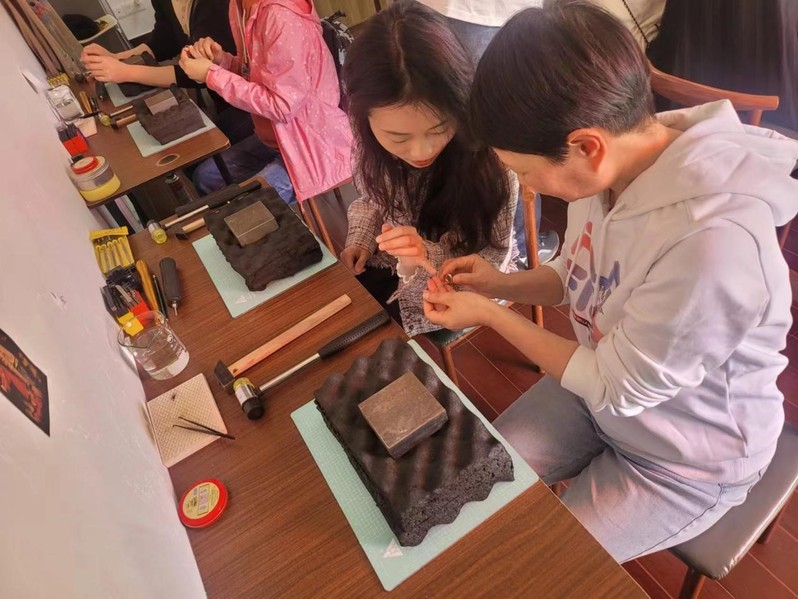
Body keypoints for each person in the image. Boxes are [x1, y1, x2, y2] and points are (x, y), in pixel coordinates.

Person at [423, 2, 798, 562]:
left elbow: (618, 385)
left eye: (525, 171)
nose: (528, 187)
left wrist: (492, 314)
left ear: (586, 146)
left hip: (685, 458)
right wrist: (499, 284)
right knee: (467, 481)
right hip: (597, 392)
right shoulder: (609, 175)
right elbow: (576, 272)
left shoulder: (712, 246)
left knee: (541, 566)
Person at [339, 0, 519, 336]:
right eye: (398, 137)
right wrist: (361, 238)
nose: (422, 152)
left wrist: (426, 254)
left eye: (440, 129)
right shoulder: (370, 144)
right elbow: (373, 199)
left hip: (457, 289)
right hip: (397, 269)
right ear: (365, 121)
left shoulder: (493, 161)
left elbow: (495, 259)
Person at [416, 0, 559, 265]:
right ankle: (519, 250)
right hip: (485, 16)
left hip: (422, 11)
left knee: (460, 142)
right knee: (503, 147)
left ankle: (461, 243)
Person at [179, 0, 352, 203]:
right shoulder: (241, 7)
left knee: (250, 210)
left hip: (313, 146)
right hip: (277, 137)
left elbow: (283, 105)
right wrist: (221, 61)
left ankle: (272, 220)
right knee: (206, 177)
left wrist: (212, 75)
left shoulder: (280, 16)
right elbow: (256, 74)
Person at [80, 0, 253, 145]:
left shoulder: (217, 5)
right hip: (225, 95)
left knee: (200, 155)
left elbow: (201, 73)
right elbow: (165, 39)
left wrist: (127, 72)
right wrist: (117, 58)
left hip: (246, 103)